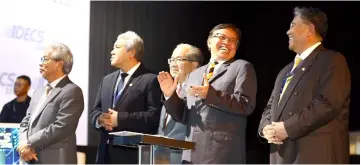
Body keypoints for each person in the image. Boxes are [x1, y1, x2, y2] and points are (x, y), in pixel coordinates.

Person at [258, 7, 351, 164]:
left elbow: (328, 104)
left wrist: (288, 127)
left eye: (293, 25)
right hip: (281, 156)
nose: (288, 31)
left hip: (314, 155)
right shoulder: (284, 71)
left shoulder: (332, 60)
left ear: (309, 30)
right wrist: (265, 129)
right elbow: (269, 107)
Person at [158, 23, 257, 164]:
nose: (227, 42)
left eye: (232, 40)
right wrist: (170, 96)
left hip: (221, 153)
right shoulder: (195, 74)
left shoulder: (241, 67)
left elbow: (246, 105)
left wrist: (210, 95)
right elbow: (183, 115)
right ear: (209, 42)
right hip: (191, 153)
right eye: (222, 37)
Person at [90, 31, 162, 164]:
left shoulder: (150, 79)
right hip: (104, 156)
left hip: (131, 157)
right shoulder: (107, 80)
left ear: (131, 53)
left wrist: (120, 119)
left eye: (117, 47)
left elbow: (153, 118)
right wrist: (99, 119)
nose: (111, 51)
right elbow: (95, 111)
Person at [17, 43, 84, 164]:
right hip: (30, 157)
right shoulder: (39, 90)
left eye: (45, 59)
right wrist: (23, 145)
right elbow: (26, 121)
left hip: (55, 159)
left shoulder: (72, 91)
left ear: (59, 64)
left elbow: (61, 127)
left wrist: (28, 143)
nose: (41, 63)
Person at [157, 43, 203, 164]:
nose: (173, 63)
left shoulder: (199, 90)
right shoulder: (170, 88)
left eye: (178, 59)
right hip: (161, 156)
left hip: (186, 157)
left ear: (195, 64)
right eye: (171, 60)